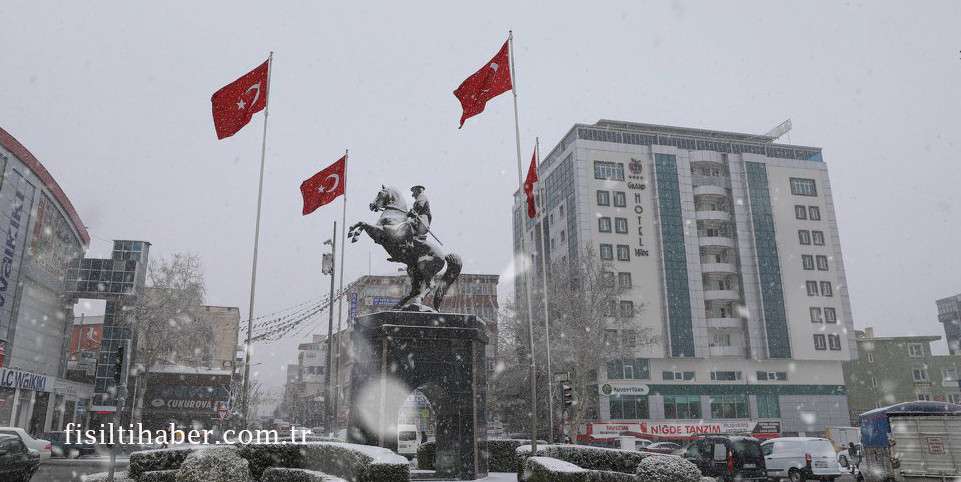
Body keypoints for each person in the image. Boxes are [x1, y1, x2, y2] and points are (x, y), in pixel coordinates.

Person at [405, 185, 432, 250]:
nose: (413, 194)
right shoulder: (419, 198)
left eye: (414, 192)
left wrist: (410, 213)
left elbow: (419, 207)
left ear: (418, 191)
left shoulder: (422, 196)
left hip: (422, 219)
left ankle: (410, 244)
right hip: (419, 218)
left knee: (406, 224)